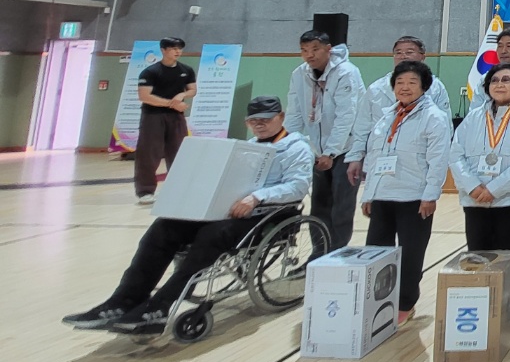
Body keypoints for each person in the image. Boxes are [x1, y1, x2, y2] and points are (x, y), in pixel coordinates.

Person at [63, 96, 314, 334]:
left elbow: (298, 186)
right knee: (164, 227)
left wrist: (257, 197)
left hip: (268, 214)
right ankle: (123, 301)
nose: (259, 125)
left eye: (266, 119)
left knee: (211, 236)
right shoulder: (246, 147)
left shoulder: (296, 148)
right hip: (229, 210)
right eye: (253, 121)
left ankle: (160, 306)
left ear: (281, 117)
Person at [359, 61, 451, 326]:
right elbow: (375, 157)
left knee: (411, 254)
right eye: (400, 83)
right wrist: (368, 194)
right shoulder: (387, 116)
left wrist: (430, 195)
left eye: (412, 82)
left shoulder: (434, 117)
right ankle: (378, 300)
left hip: (414, 197)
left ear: (424, 87)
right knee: (376, 251)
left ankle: (406, 302)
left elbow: (438, 160)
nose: (405, 87)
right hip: (383, 196)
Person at [450, 63, 510, 303]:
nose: (499, 84)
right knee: (478, 249)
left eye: (506, 80)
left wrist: (494, 189)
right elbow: (456, 154)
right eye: (494, 80)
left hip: (509, 199)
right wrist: (472, 186)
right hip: (475, 199)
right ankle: (481, 291)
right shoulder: (473, 117)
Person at [285, 30, 366, 252]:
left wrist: (331, 152)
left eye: (315, 49)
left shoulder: (346, 72)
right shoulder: (299, 74)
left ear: (328, 50)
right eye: (304, 50)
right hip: (317, 150)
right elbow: (294, 114)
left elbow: (347, 116)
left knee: (342, 204)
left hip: (347, 148)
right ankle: (318, 253)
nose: (309, 55)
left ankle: (336, 253)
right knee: (319, 205)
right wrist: (286, 145)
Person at [346, 35, 452, 185]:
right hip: (379, 162)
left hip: (416, 165)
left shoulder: (435, 88)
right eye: (398, 52)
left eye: (409, 52)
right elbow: (362, 127)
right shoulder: (376, 89)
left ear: (423, 56)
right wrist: (355, 157)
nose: (403, 56)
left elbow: (445, 128)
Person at [132, 37, 197, 204]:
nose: (177, 51)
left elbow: (192, 90)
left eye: (180, 48)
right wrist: (171, 104)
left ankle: (178, 189)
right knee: (149, 153)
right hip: (153, 116)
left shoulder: (186, 70)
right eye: (173, 48)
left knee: (179, 152)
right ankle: (145, 191)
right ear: (163, 50)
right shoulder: (150, 72)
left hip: (176, 117)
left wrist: (182, 94)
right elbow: (144, 96)